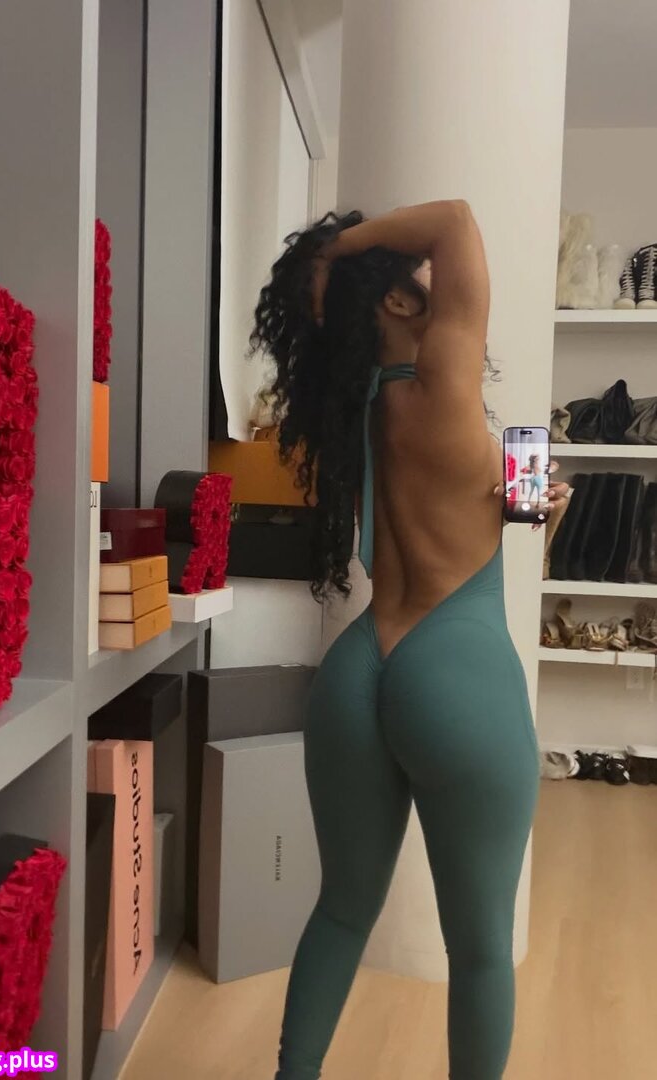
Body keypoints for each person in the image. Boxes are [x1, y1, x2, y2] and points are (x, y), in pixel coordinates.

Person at [250, 201, 570, 1080]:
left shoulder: (361, 415)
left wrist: (529, 502)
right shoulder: (442, 383)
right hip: (453, 663)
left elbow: (433, 506)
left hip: (358, 672)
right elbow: (457, 221)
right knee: (480, 948)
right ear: (393, 302)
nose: (437, 285)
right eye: (416, 280)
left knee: (341, 911)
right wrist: (338, 249)